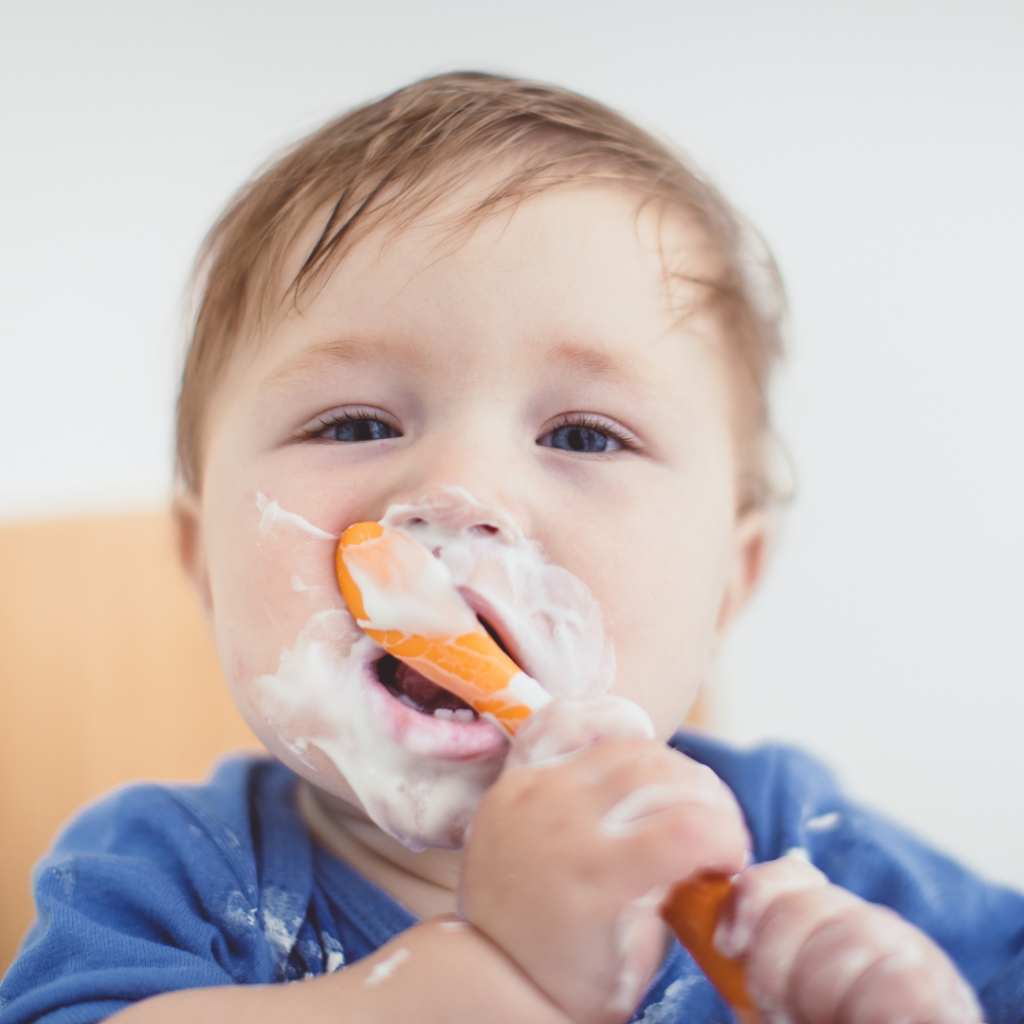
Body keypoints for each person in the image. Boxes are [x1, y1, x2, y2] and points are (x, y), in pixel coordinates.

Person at [3, 72, 1023, 1024]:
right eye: (355, 424)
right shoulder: (164, 875)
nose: (459, 495)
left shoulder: (795, 842)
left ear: (727, 586)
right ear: (204, 560)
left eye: (582, 435)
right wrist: (491, 973)